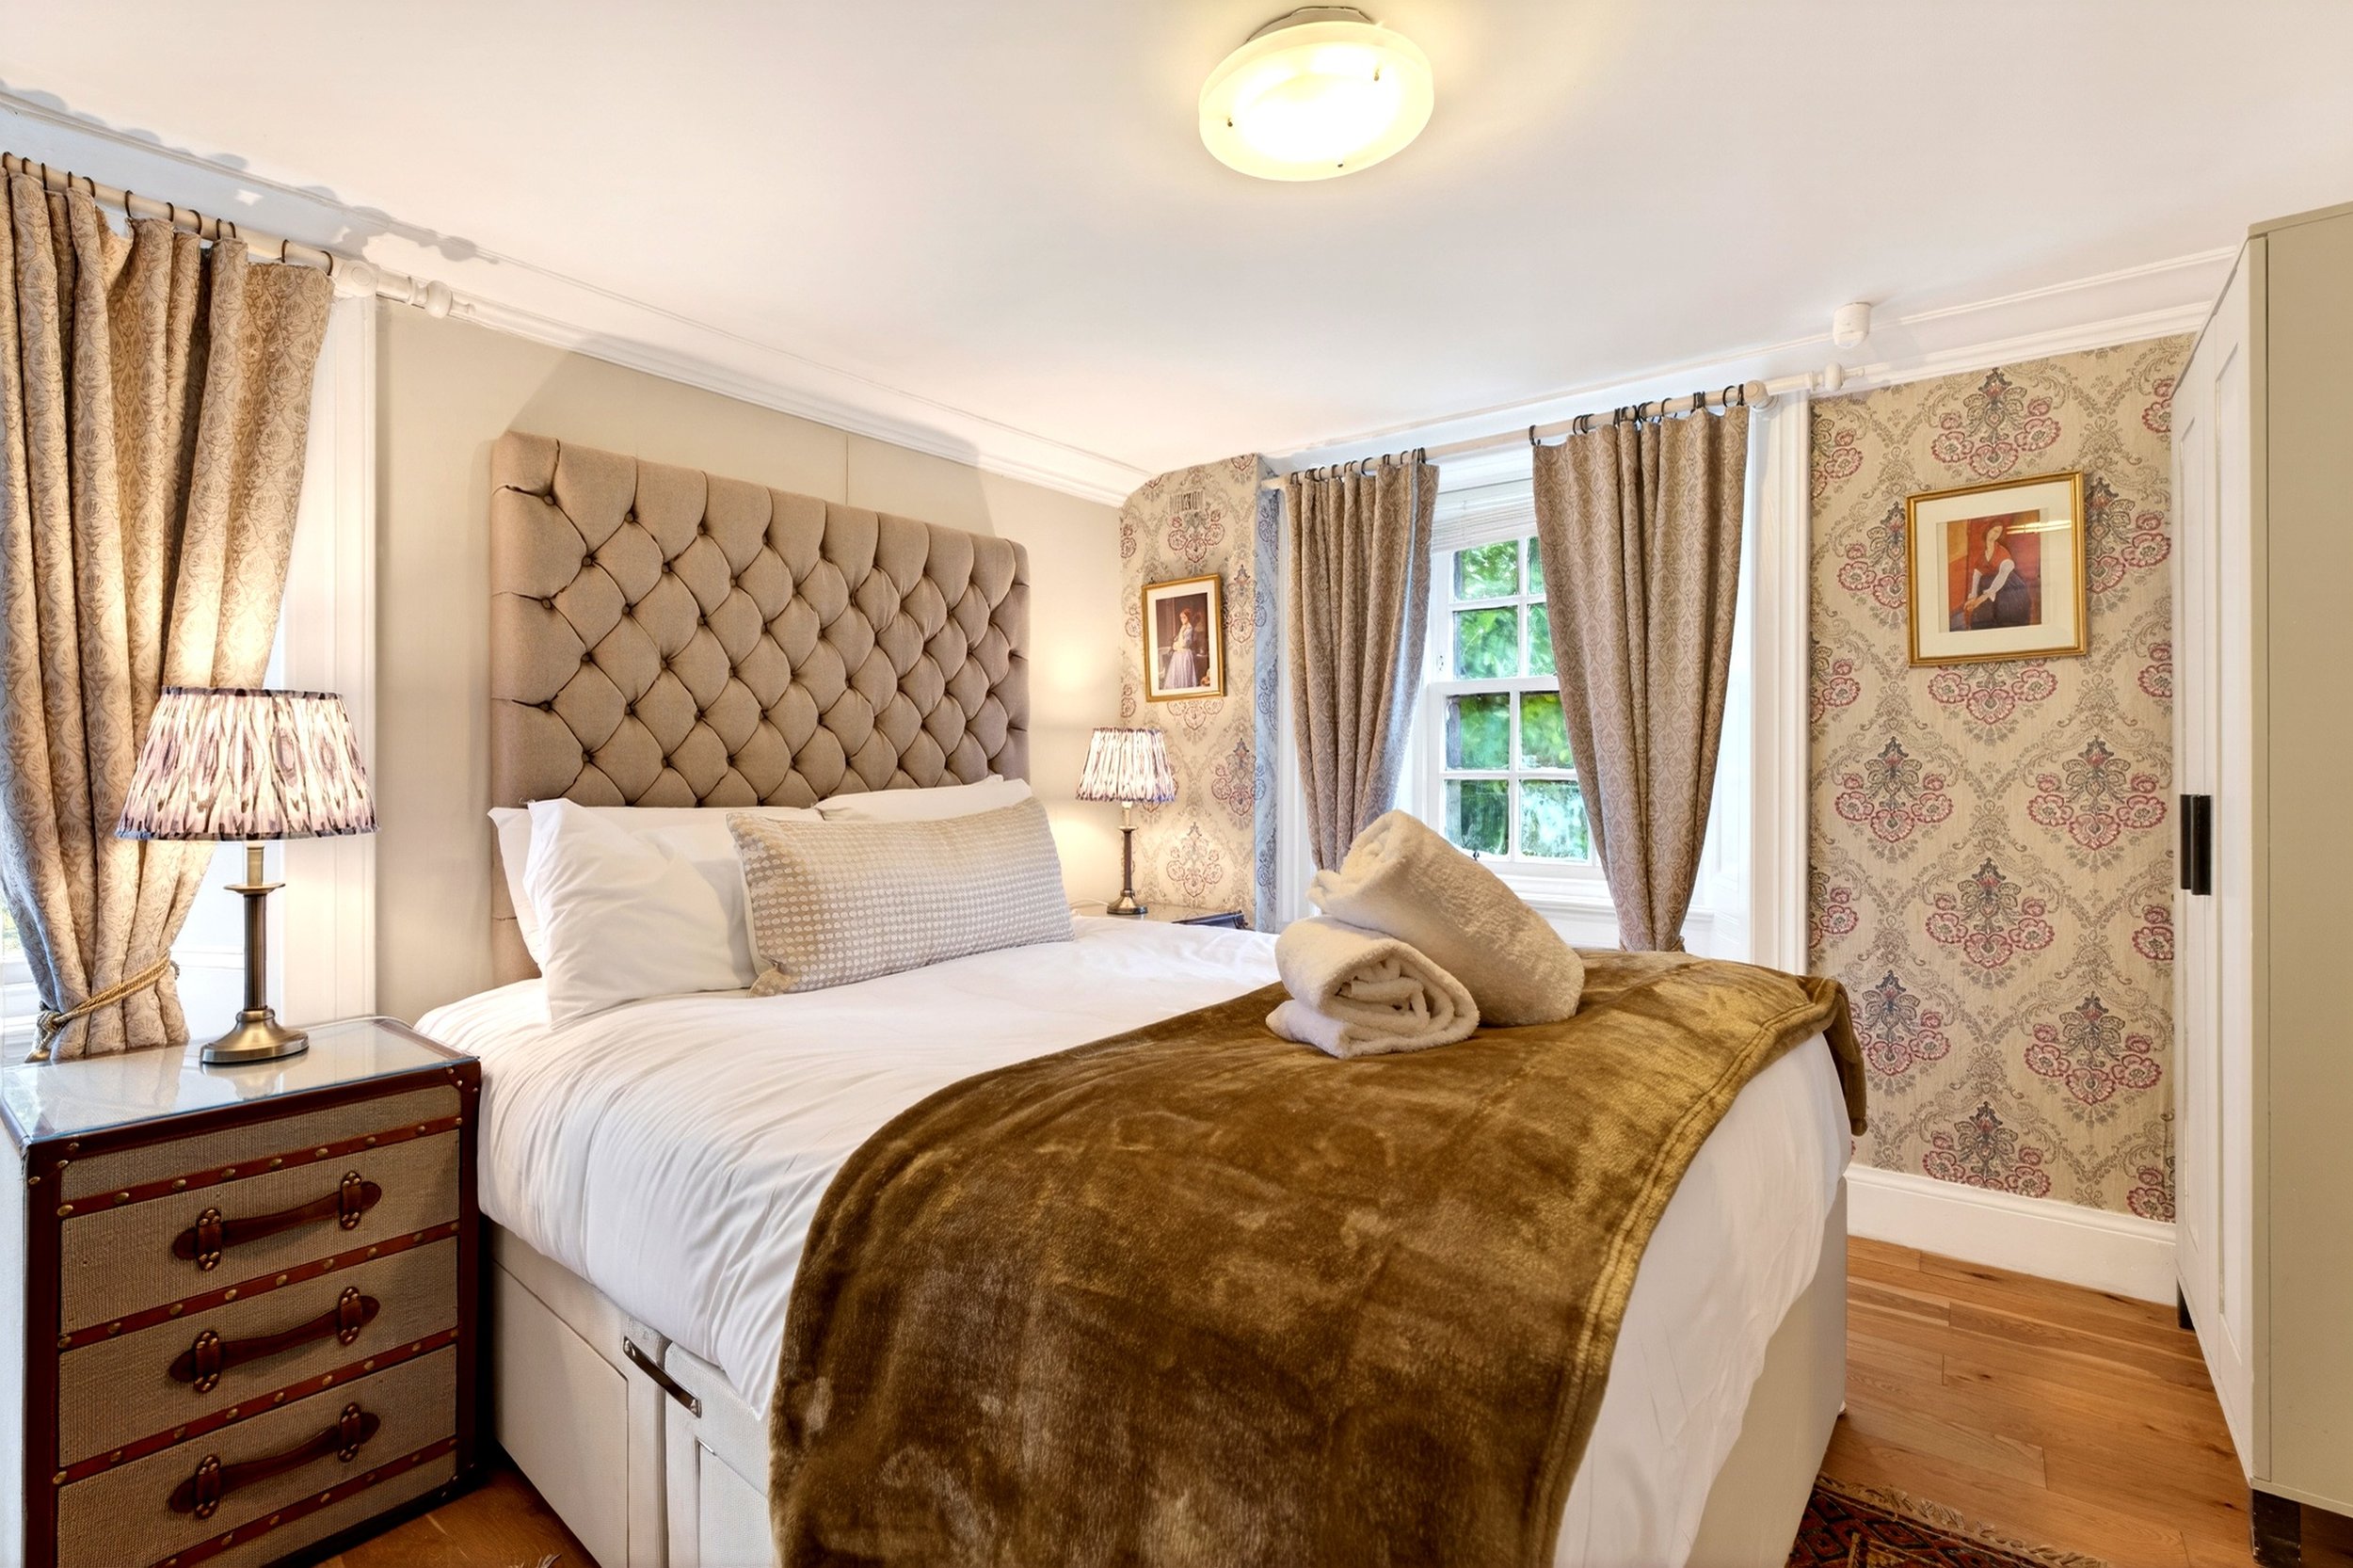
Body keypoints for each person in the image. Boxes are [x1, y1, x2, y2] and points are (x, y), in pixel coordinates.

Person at [1952, 521, 2035, 632]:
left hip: (2009, 587)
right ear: (1988, 530)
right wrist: (1973, 596)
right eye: (1994, 531)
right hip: (1991, 587)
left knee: (2006, 618)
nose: (1995, 535)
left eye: (1998, 533)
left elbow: (2002, 576)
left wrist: (1981, 599)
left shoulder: (2002, 552)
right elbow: (1977, 575)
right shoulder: (1983, 555)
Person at [1163, 606, 1202, 690]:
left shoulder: (1189, 629)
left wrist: (1180, 634)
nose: (1182, 619)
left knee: (1184, 674)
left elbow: (1184, 644)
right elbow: (1176, 643)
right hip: (1179, 654)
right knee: (1177, 674)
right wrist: (1176, 645)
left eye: (1184, 617)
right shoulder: (1183, 627)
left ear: (1188, 618)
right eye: (1181, 618)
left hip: (1185, 654)